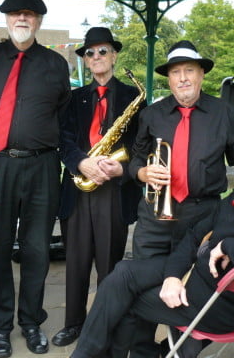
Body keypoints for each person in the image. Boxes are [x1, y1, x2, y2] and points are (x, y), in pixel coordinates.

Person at [70, 134, 234, 358]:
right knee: (123, 272)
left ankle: (94, 354)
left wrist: (226, 246)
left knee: (123, 299)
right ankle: (90, 353)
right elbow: (193, 238)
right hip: (198, 277)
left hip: (219, 305)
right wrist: (173, 276)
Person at [126, 40, 234, 356]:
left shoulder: (223, 113)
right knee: (141, 282)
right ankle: (141, 350)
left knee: (197, 286)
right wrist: (142, 174)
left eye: (189, 71)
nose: (183, 78)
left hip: (202, 214)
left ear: (201, 75)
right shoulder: (152, 115)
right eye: (176, 72)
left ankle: (179, 348)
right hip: (155, 215)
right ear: (169, 78)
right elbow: (135, 159)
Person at [0, 0, 71, 357]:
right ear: (6, 20)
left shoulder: (57, 64)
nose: (22, 19)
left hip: (42, 166)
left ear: (39, 21)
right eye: (15, 14)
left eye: (29, 14)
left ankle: (30, 321)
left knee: (37, 250)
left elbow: (62, 114)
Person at [54, 27, 145, 347]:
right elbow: (63, 139)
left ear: (114, 55)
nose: (95, 57)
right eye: (89, 53)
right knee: (76, 262)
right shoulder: (74, 97)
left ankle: (105, 326)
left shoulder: (133, 97)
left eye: (102, 51)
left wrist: (121, 165)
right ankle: (73, 323)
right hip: (79, 186)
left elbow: (142, 143)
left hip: (114, 188)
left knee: (110, 264)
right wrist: (81, 162)